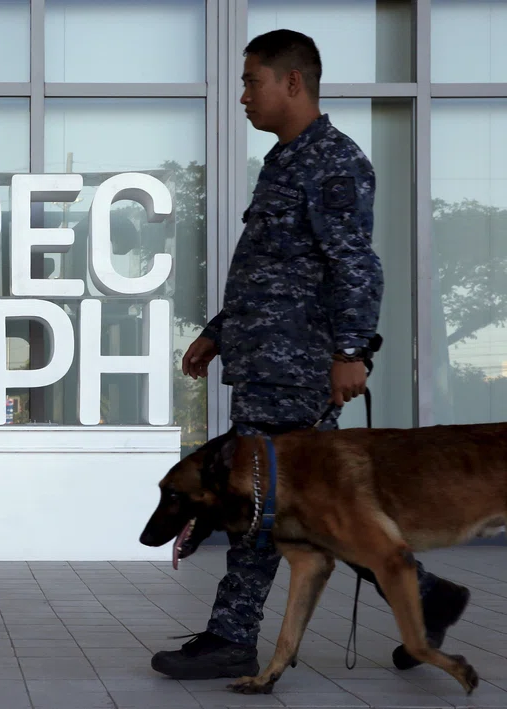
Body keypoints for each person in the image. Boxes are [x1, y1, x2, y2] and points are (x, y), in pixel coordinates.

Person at [150, 29, 470, 681]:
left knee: (262, 501)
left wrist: (351, 350)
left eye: (252, 81)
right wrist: (219, 330)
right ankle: (427, 597)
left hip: (296, 371)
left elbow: (355, 265)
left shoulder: (333, 162)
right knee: (312, 509)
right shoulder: (284, 161)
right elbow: (274, 266)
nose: (243, 96)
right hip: (267, 365)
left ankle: (232, 636)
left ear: (292, 82)